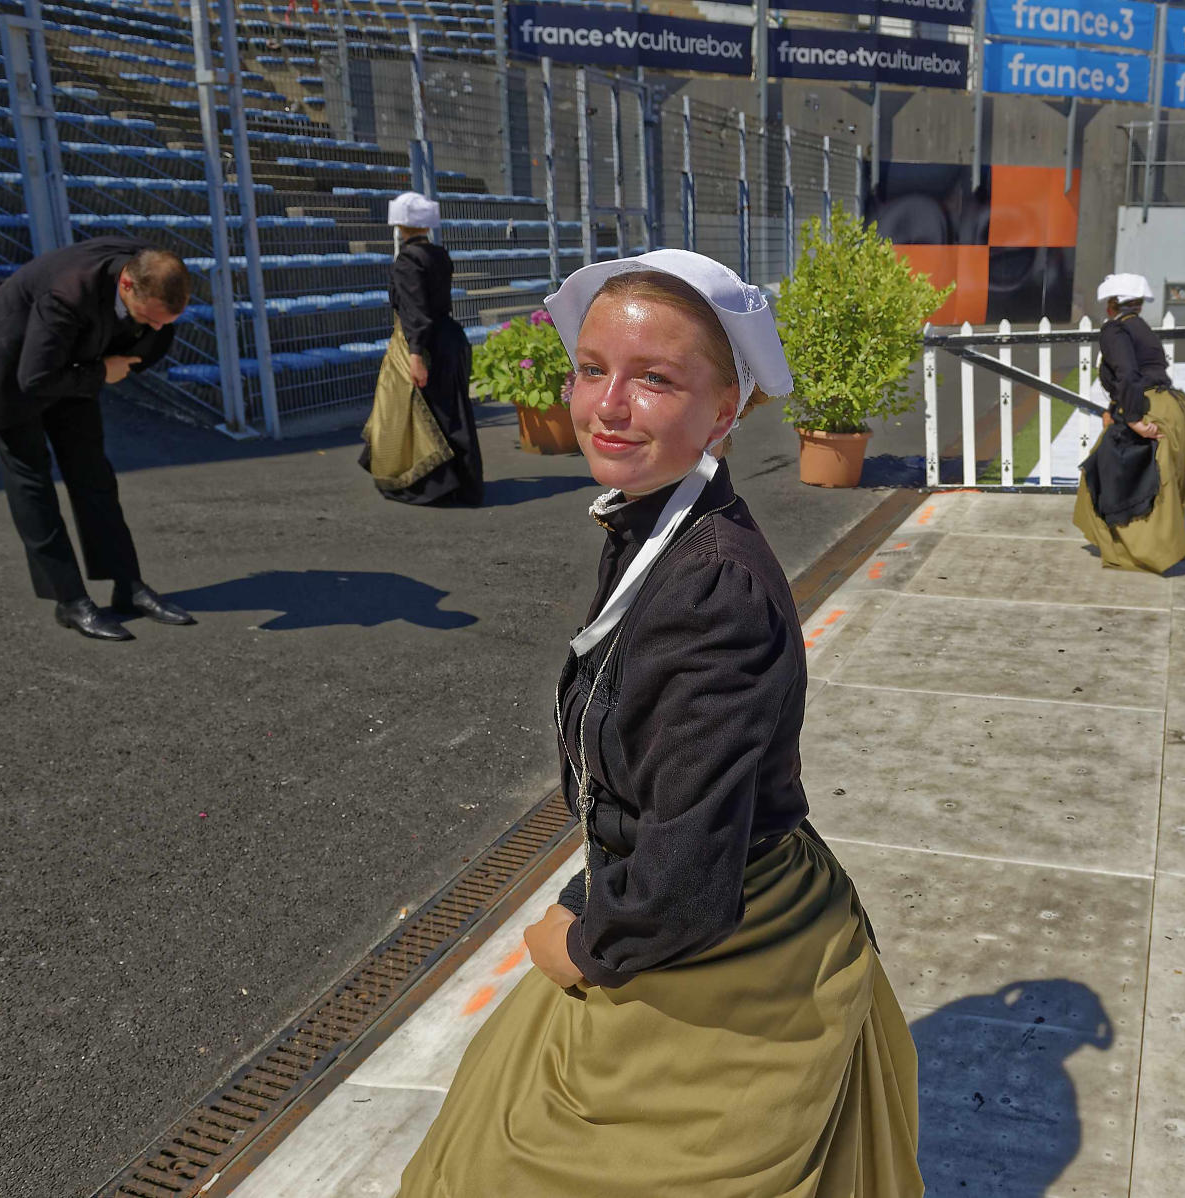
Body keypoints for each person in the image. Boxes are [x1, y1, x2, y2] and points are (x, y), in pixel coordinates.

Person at [396, 250, 923, 1198]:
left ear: (724, 411)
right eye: (592, 369)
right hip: (671, 893)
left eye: (654, 379)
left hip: (719, 923)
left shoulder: (712, 587)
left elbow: (688, 863)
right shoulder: (656, 526)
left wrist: (582, 945)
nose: (607, 405)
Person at [0, 238, 197, 642]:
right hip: (10, 372)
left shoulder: (150, 270)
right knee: (33, 484)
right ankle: (69, 600)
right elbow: (35, 378)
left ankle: (127, 586)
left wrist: (110, 363)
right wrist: (101, 372)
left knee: (93, 474)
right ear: (126, 285)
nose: (156, 328)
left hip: (73, 362)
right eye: (148, 318)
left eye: (164, 322)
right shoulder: (67, 292)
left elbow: (150, 332)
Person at [358, 191, 482, 505]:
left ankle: (436, 487)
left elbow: (415, 310)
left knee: (424, 413)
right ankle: (464, 486)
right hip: (449, 337)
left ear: (400, 225)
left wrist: (415, 355)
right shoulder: (439, 254)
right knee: (453, 413)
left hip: (424, 344)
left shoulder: (407, 261)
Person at [1072, 273, 1185, 573]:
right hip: (1171, 407)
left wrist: (1132, 420)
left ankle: (1141, 553)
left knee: (1116, 475)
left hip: (1146, 409)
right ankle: (1164, 548)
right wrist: (1113, 409)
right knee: (1159, 477)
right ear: (1139, 304)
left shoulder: (1114, 330)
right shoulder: (1142, 329)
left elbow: (1128, 375)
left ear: (1111, 305)